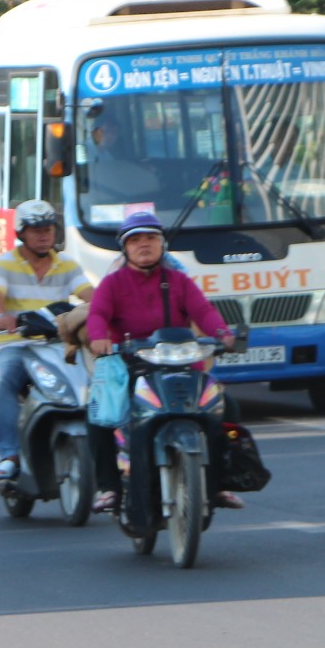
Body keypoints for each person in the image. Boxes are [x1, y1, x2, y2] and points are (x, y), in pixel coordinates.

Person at [87, 210, 241, 510]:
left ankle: (220, 483)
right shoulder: (113, 284)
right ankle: (109, 488)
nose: (143, 244)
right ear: (125, 247)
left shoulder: (179, 281)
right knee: (99, 414)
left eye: (151, 238)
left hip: (180, 364)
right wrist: (98, 338)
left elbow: (204, 312)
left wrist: (222, 334)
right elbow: (97, 315)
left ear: (162, 244)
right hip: (133, 366)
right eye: (135, 240)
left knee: (226, 407)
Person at [0, 200, 92, 481]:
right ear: (22, 233)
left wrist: (106, 308)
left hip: (59, 344)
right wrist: (2, 315)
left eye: (49, 230)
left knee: (100, 375)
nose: (44, 236)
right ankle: (9, 455)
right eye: (36, 230)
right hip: (17, 345)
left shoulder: (67, 264)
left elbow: (89, 293)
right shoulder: (3, 264)